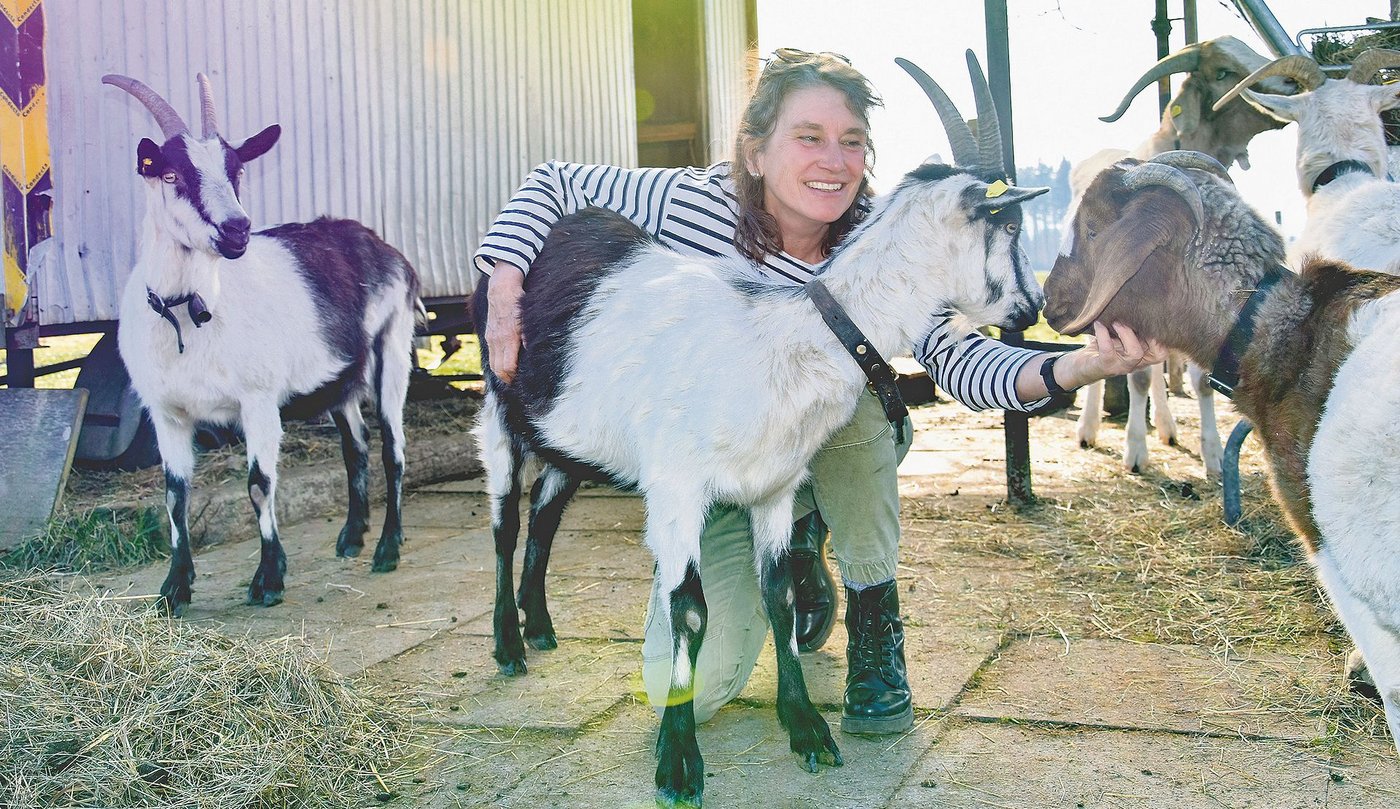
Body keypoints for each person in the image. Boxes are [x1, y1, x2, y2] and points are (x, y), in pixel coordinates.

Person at [472, 49, 1164, 735]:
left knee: (850, 387)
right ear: (754, 154)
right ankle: (792, 543)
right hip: (711, 469)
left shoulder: (881, 247)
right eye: (809, 138)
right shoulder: (690, 202)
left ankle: (870, 615)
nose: (834, 160)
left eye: (853, 141)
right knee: (680, 686)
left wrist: (1078, 367)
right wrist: (505, 286)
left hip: (814, 448)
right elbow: (554, 182)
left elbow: (961, 361)